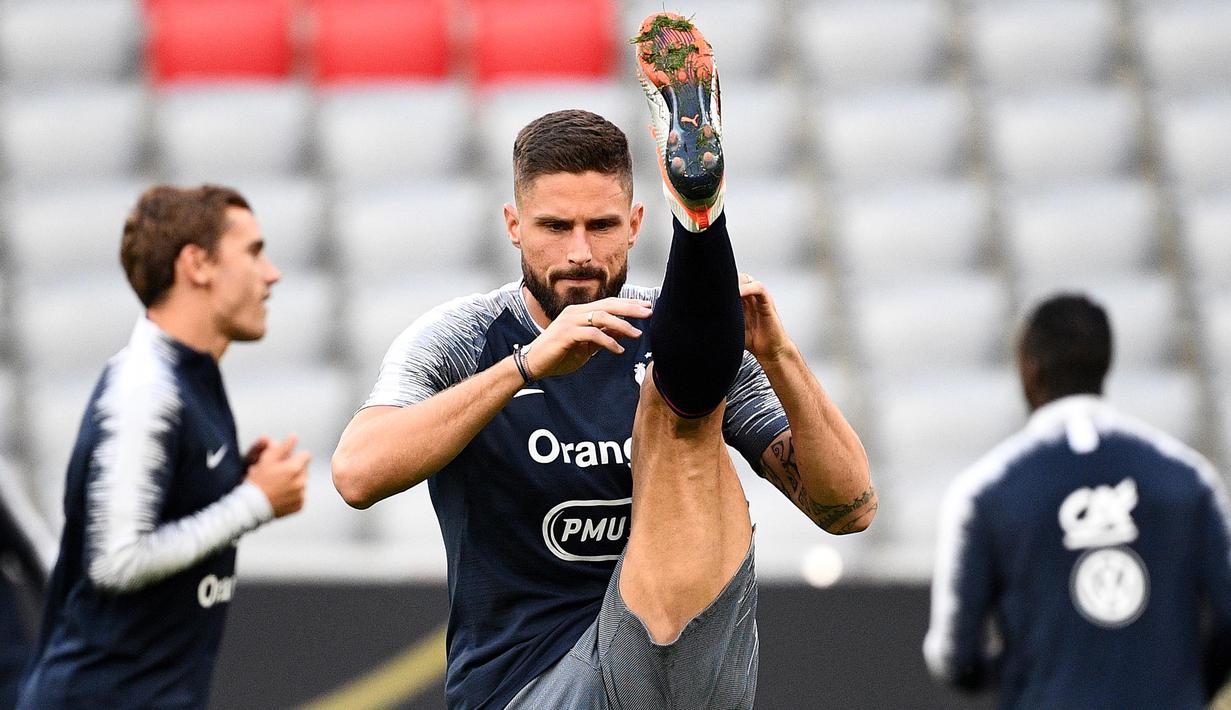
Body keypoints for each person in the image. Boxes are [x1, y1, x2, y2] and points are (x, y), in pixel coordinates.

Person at [333, 12, 874, 710]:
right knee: (679, 406)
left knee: (688, 400)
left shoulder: (684, 336)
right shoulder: (466, 339)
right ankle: (702, 226)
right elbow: (354, 474)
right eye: (556, 228)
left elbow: (848, 508)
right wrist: (524, 367)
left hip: (686, 660)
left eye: (602, 226)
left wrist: (779, 354)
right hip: (527, 689)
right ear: (513, 226)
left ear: (635, 223)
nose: (581, 253)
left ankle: (702, 216)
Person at [18, 185, 310, 709]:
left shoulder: (191, 377)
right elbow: (118, 559)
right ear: (197, 265)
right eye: (253, 252)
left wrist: (234, 485)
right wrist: (254, 503)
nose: (272, 274)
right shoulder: (145, 388)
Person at [924, 294, 1231, 708]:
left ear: (1028, 369)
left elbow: (953, 657)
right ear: (1105, 363)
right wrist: (1189, 685)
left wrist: (1023, 673)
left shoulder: (984, 491)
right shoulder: (1191, 478)